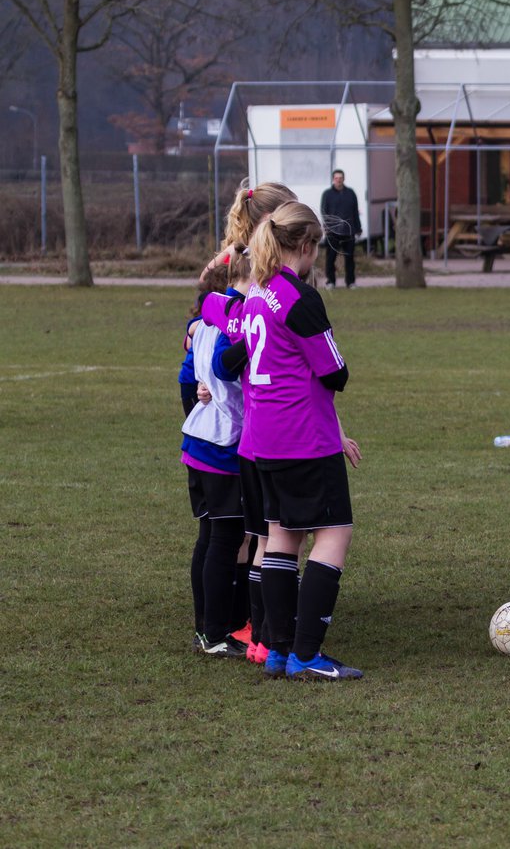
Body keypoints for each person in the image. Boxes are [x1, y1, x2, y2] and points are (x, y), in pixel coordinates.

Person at [243, 200, 363, 681]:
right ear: (309, 246)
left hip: (262, 437)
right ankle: (307, 654)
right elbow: (336, 371)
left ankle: (276, 649)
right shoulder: (299, 297)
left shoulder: (258, 290)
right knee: (334, 532)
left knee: (281, 536)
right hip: (303, 437)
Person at [200, 181, 300, 665]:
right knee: (237, 531)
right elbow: (217, 342)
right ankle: (229, 625)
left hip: (237, 420)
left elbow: (206, 314)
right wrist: (208, 379)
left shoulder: (243, 275)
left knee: (239, 530)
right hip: (234, 427)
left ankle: (238, 622)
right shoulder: (249, 280)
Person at [182, 254, 249, 658]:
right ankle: (215, 633)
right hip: (221, 445)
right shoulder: (235, 318)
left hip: (197, 440)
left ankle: (206, 628)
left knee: (210, 537)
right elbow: (225, 368)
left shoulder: (210, 315)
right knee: (224, 540)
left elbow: (195, 374)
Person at [320, 169, 361, 289]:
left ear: (344, 179)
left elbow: (355, 212)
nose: (339, 180)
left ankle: (350, 282)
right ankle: (331, 281)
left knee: (350, 258)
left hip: (348, 232)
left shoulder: (350, 193)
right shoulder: (327, 194)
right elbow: (324, 212)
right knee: (331, 258)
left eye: (340, 178)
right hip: (333, 232)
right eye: (336, 178)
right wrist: (327, 227)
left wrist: (358, 228)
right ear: (333, 179)